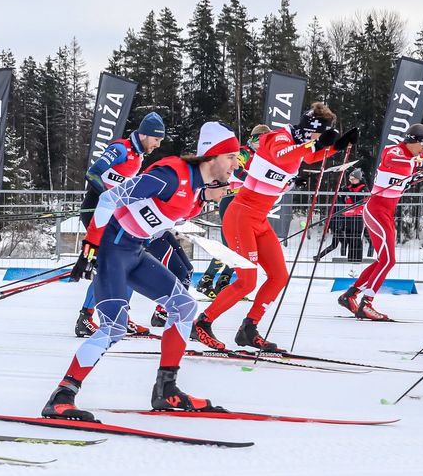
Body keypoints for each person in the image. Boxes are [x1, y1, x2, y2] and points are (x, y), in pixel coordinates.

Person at [41, 122, 239, 421]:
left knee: (184, 306)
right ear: (212, 156)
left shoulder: (196, 190)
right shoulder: (170, 175)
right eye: (231, 157)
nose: (235, 165)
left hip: (134, 251)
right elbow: (109, 198)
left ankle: (166, 390)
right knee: (114, 327)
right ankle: (62, 396)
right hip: (111, 250)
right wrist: (90, 246)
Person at [194, 103, 358, 352]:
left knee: (279, 276)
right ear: (310, 129)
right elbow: (283, 155)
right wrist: (316, 144)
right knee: (247, 282)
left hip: (259, 220)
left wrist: (337, 145)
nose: (318, 139)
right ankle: (202, 323)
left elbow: (310, 156)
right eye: (319, 133)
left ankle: (249, 328)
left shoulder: (301, 143)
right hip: (241, 217)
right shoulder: (279, 137)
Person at [338, 124, 423, 321]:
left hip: (385, 213)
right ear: (414, 141)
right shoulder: (395, 151)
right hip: (376, 212)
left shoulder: (413, 156)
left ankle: (350, 295)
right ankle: (366, 304)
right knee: (388, 260)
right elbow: (397, 160)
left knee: (383, 260)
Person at [72, 112, 166, 337]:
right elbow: (92, 174)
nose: (158, 145)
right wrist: (110, 197)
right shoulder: (121, 149)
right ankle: (86, 317)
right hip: (97, 212)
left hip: (114, 216)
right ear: (144, 135)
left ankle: (120, 317)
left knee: (129, 264)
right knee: (113, 266)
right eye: (156, 139)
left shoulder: (139, 155)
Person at [195, 124, 269, 299]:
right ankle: (206, 281)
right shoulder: (244, 152)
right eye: (261, 141)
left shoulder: (261, 157)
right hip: (231, 200)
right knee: (230, 245)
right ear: (255, 139)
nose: (264, 145)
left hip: (244, 202)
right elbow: (237, 169)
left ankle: (223, 282)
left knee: (238, 248)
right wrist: (253, 180)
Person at [315, 168, 368, 263]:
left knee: (356, 238)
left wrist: (349, 193)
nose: (351, 181)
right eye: (350, 179)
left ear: (358, 179)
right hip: (347, 215)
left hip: (357, 216)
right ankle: (350, 259)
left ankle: (356, 259)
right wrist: (341, 193)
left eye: (353, 179)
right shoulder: (349, 187)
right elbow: (342, 200)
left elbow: (359, 201)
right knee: (349, 237)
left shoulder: (363, 189)